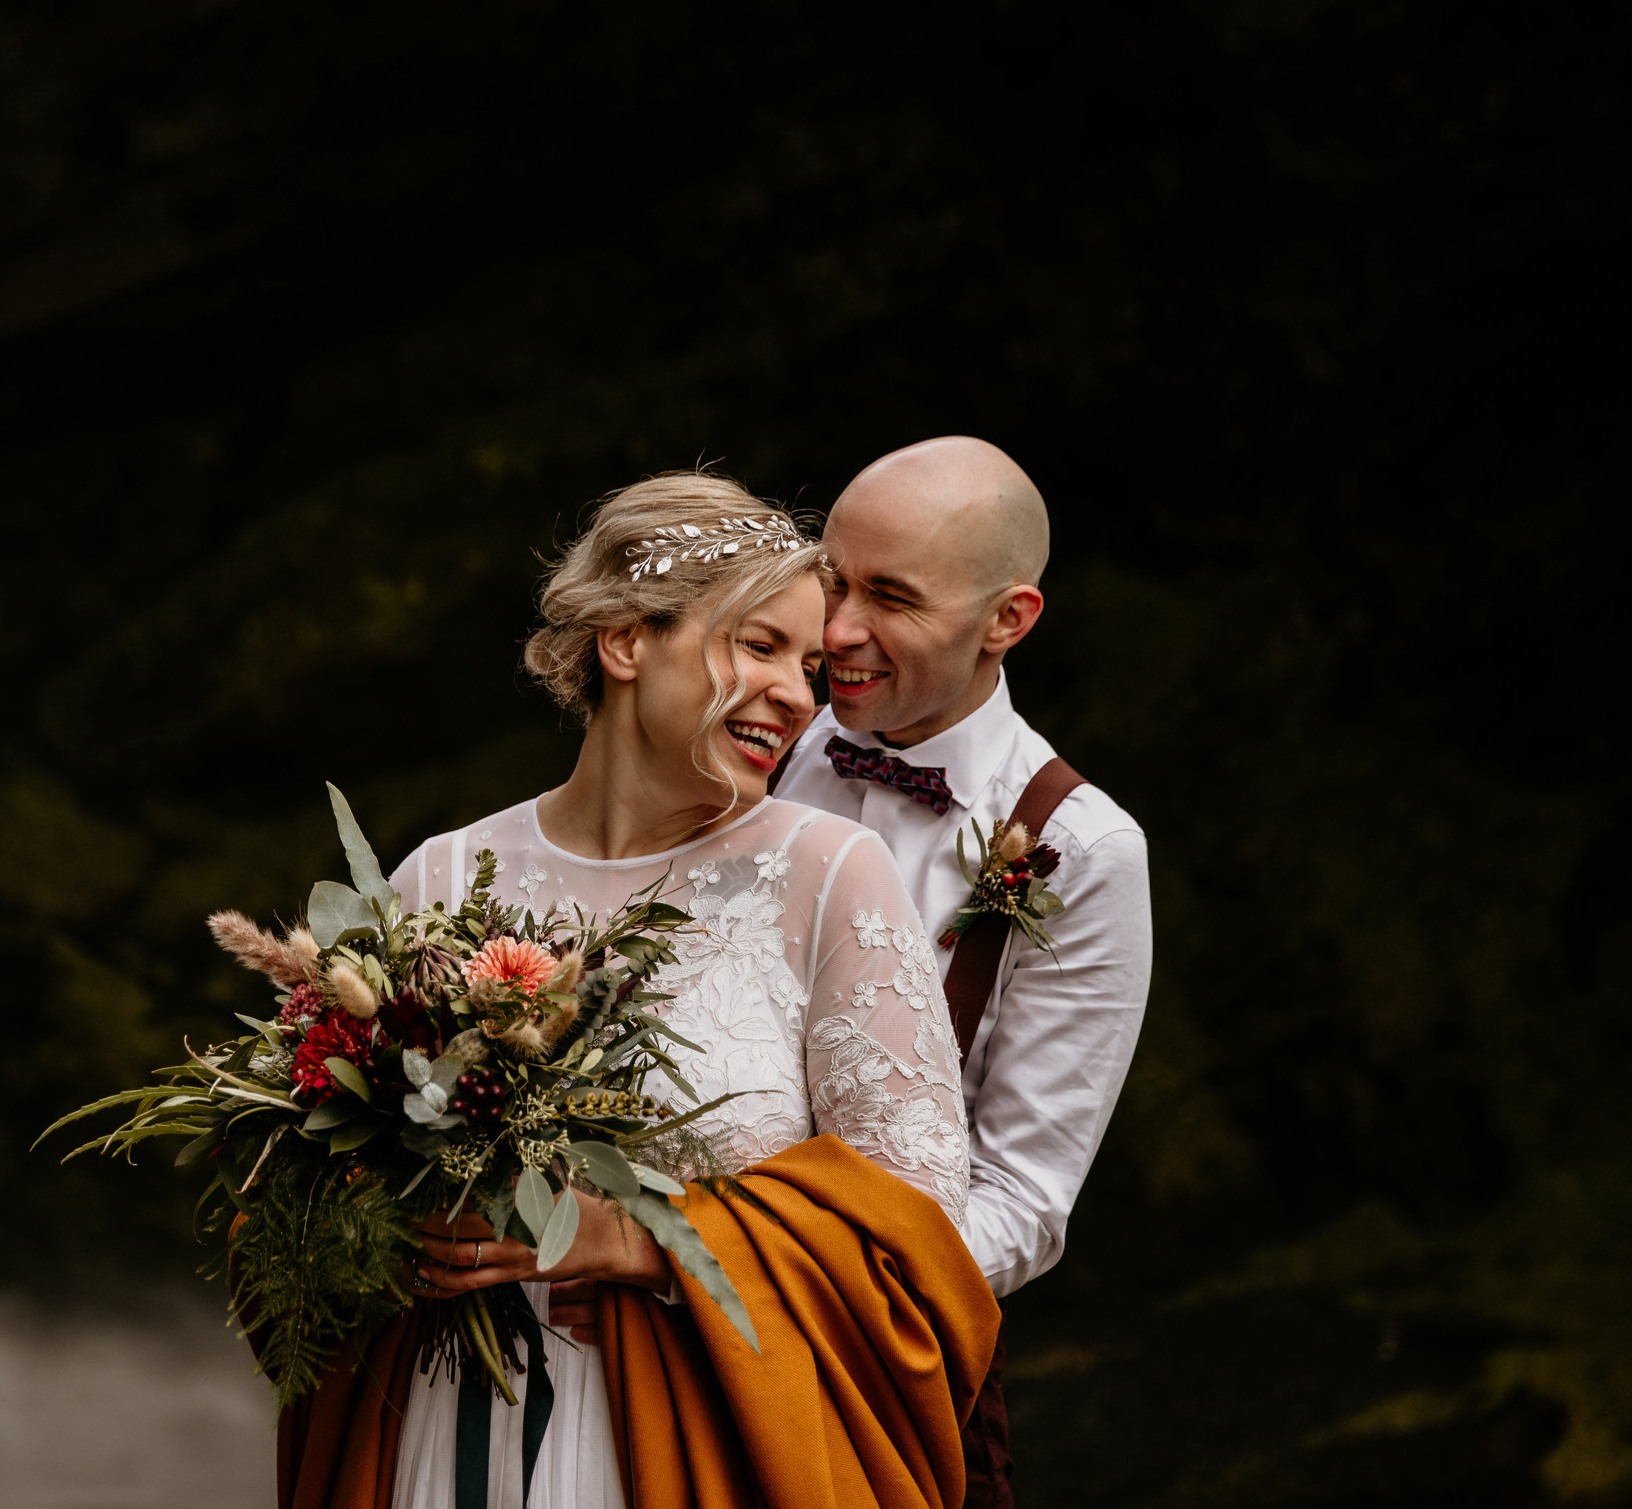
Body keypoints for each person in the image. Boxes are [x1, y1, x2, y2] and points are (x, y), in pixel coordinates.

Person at [276, 471, 999, 1509]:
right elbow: (306, 1198)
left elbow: (916, 1234)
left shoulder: (828, 872)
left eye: (807, 664)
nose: (800, 695)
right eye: (758, 646)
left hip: (694, 1448)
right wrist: (387, 1233)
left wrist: (642, 1237)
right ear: (624, 643)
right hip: (440, 1439)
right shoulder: (437, 877)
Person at [774, 437, 1154, 1506]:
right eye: (831, 581)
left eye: (890, 597)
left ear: (1009, 620)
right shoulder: (751, 732)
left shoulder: (1076, 847)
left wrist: (758, 1279)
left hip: (869, 1377)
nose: (837, 631)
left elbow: (1022, 1202)